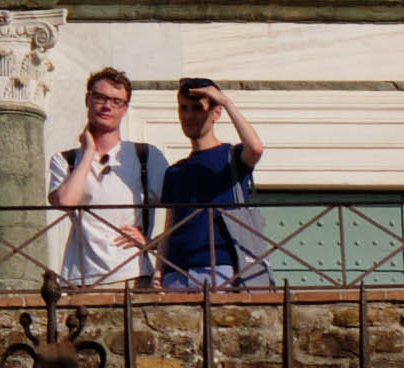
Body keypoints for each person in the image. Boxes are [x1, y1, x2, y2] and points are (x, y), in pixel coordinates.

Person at [46, 69, 159, 289]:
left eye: (116, 101)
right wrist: (88, 151)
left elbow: (184, 210)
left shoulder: (145, 156)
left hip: (134, 274)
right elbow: (66, 201)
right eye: (100, 98)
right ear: (88, 100)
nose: (107, 106)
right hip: (82, 277)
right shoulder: (66, 160)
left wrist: (153, 243)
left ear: (125, 109)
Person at [150, 81, 266, 288]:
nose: (188, 116)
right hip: (175, 273)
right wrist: (159, 271)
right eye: (183, 108)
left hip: (221, 268)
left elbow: (256, 148)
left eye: (197, 108)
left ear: (216, 113)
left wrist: (227, 102)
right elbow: (171, 225)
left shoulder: (233, 156)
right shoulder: (175, 171)